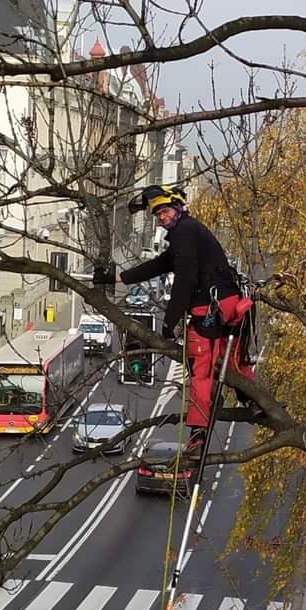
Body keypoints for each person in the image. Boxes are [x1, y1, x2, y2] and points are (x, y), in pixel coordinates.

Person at [119, 187, 254, 456]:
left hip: (210, 310)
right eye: (157, 213)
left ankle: (198, 435)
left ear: (178, 209)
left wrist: (169, 323)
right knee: (234, 362)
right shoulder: (191, 233)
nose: (160, 217)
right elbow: (157, 265)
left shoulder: (184, 233)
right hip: (233, 307)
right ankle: (252, 401)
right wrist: (116, 278)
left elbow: (185, 280)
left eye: (164, 211)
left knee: (201, 373)